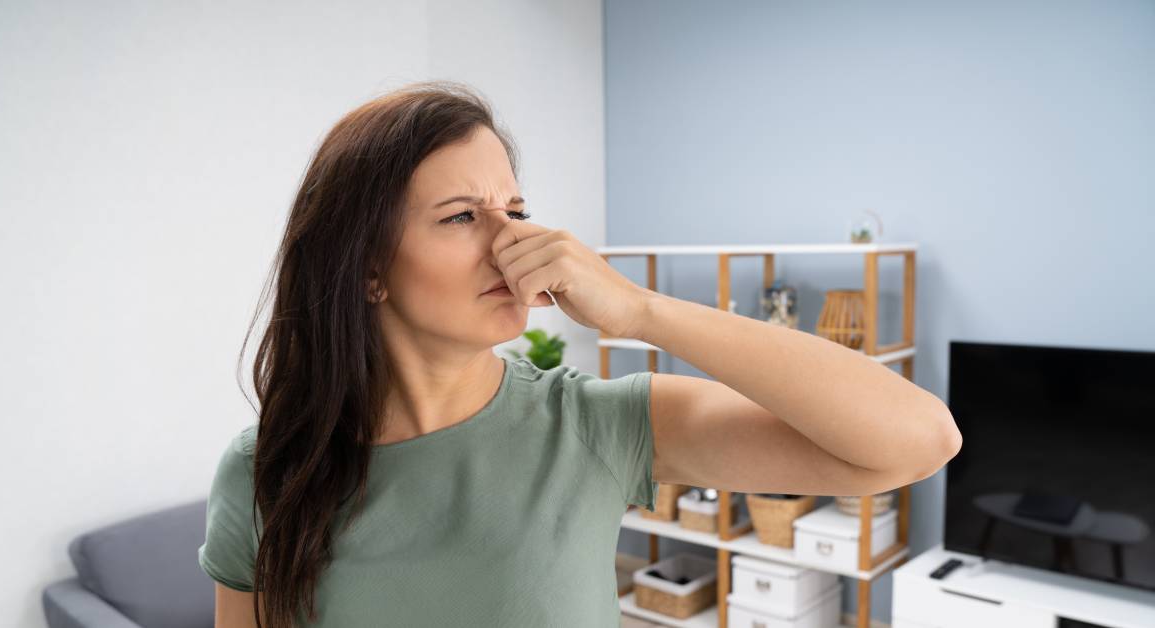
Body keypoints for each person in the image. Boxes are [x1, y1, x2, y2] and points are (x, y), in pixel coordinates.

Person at [199, 80, 963, 628]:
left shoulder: (591, 425)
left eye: (518, 211)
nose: (511, 244)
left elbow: (920, 439)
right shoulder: (266, 469)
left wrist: (641, 310)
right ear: (367, 270)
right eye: (463, 216)